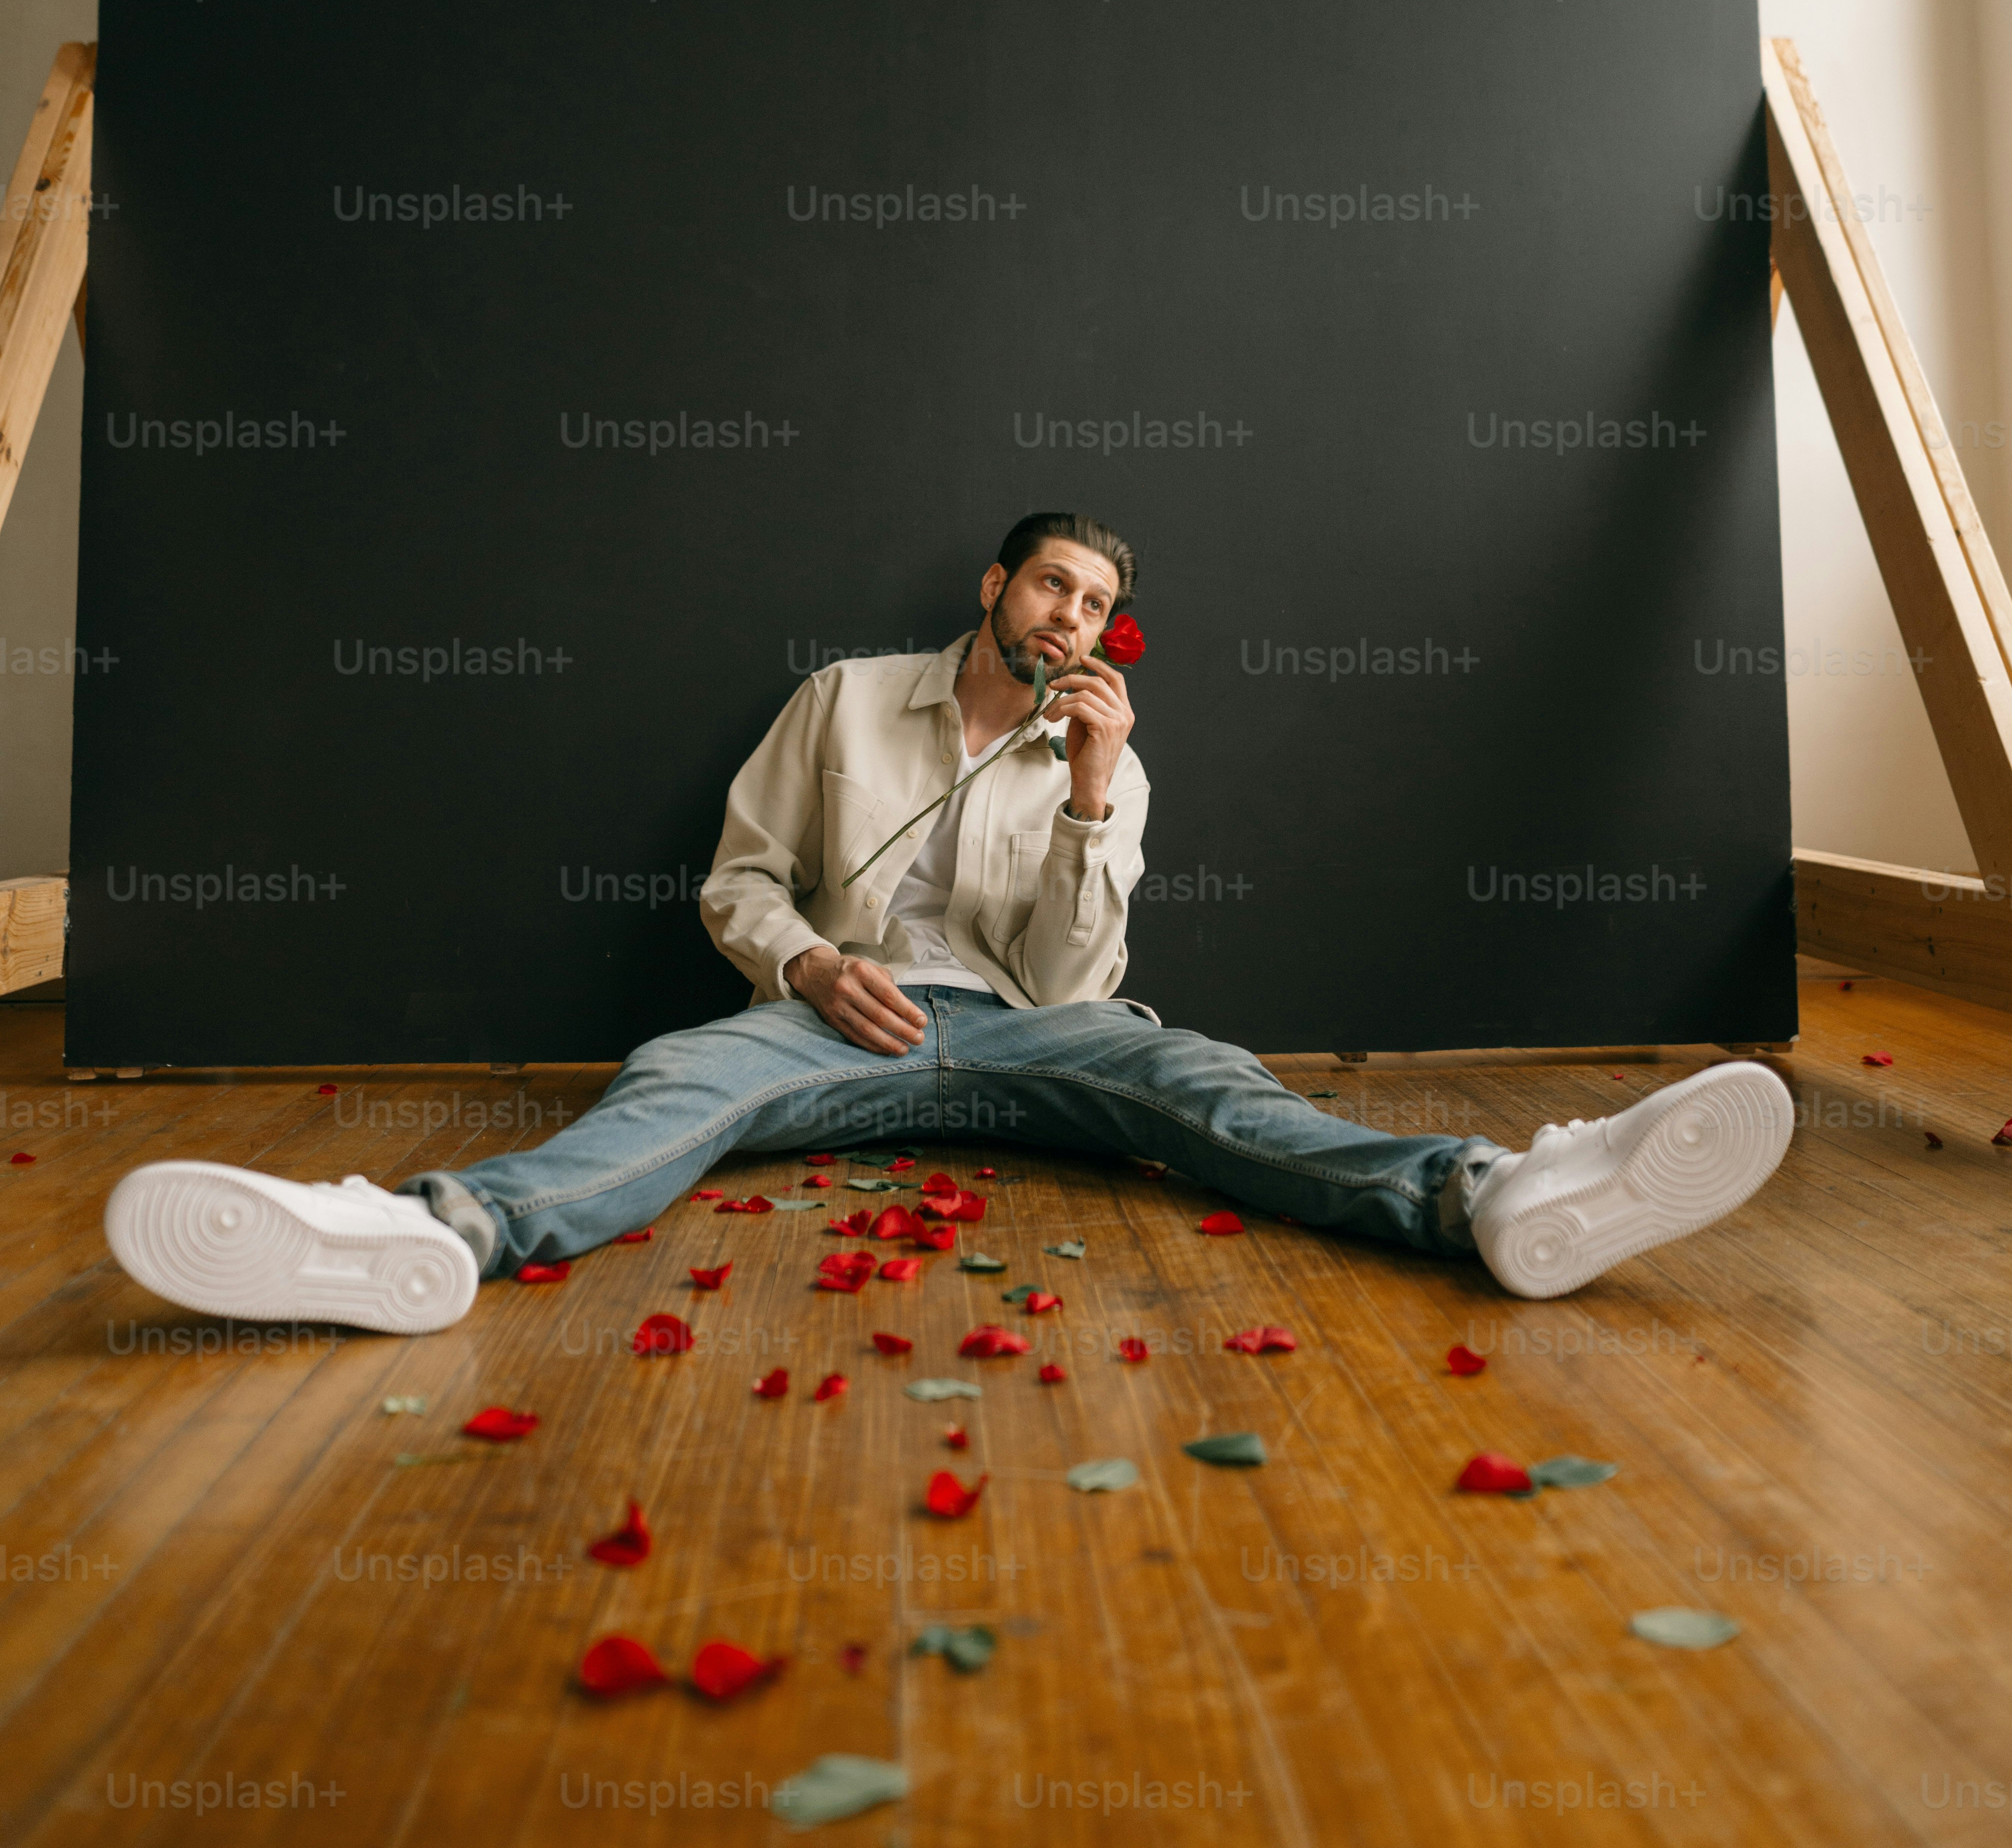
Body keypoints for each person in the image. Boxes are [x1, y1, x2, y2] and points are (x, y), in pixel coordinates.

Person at [104, 510, 1792, 1332]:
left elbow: (1082, 979)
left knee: (1208, 1084)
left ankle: (1498, 1196)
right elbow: (736, 881)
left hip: (1020, 1030)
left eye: (1106, 609)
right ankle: (433, 1236)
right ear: (996, 589)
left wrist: (1085, 798)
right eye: (1058, 584)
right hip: (839, 1013)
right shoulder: (843, 698)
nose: (1079, 617)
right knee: (676, 1081)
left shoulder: (1112, 763)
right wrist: (811, 964)